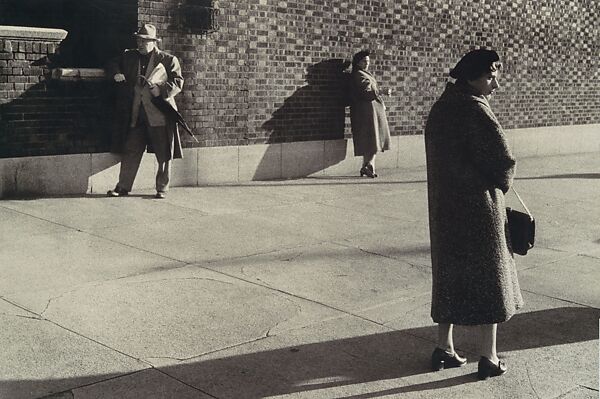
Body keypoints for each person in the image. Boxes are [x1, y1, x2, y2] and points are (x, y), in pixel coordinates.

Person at [424, 49, 524, 380]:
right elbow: (502, 160)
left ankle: (445, 347)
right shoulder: (475, 110)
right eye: (491, 74)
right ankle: (490, 357)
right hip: (479, 209)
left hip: (445, 208)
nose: (496, 81)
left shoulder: (441, 108)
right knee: (489, 279)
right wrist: (504, 180)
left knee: (450, 276)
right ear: (473, 77)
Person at [106, 23, 184, 199]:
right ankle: (123, 187)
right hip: (136, 114)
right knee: (131, 150)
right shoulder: (130, 57)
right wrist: (116, 73)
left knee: (163, 153)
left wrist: (161, 90)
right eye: (138, 40)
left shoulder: (168, 59)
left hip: (159, 115)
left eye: (144, 41)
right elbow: (112, 62)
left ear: (154, 42)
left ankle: (162, 188)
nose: (140, 44)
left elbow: (178, 82)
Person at [349, 50, 391, 178]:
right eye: (363, 61)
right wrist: (380, 91)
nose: (366, 63)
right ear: (358, 62)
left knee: (373, 140)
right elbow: (366, 92)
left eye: (367, 61)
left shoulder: (363, 74)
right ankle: (368, 166)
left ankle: (368, 166)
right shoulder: (359, 75)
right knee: (372, 139)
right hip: (367, 111)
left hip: (371, 110)